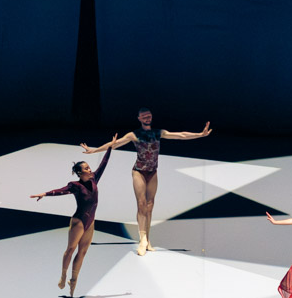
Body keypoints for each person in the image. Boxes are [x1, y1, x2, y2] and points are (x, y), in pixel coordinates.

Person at [88, 107, 212, 255]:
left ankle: (147, 239)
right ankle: (142, 239)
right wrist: (94, 150)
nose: (147, 118)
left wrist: (200, 134)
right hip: (139, 172)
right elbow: (113, 144)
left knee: (150, 205)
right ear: (139, 118)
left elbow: (180, 135)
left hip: (152, 172)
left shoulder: (158, 133)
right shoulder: (133, 135)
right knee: (141, 204)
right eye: (144, 116)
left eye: (149, 116)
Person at [32, 145, 113, 297]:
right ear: (79, 173)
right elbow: (61, 191)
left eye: (89, 167)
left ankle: (73, 280)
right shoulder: (75, 186)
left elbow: (104, 164)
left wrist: (110, 147)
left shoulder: (94, 179)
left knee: (83, 252)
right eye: (86, 168)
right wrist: (45, 194)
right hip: (79, 221)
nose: (90, 170)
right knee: (71, 249)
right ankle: (63, 275)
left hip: (91, 222)